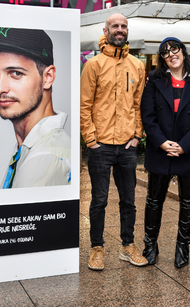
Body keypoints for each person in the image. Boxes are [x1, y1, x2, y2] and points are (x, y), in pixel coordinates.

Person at [80, 13, 148, 271]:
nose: (120, 30)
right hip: (101, 146)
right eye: (115, 26)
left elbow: (139, 104)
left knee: (128, 200)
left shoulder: (137, 65)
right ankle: (97, 248)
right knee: (99, 200)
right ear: (106, 30)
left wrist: (136, 135)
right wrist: (92, 140)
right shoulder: (94, 65)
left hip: (127, 146)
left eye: (123, 26)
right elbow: (84, 106)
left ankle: (127, 246)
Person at [140, 37, 190, 267]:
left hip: (188, 150)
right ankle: (150, 245)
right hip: (161, 150)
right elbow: (148, 117)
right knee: (153, 200)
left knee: (188, 201)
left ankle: (182, 247)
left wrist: (185, 145)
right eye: (165, 52)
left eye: (174, 49)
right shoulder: (153, 81)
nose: (171, 54)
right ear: (162, 59)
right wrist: (162, 142)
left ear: (183, 51)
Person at [0, 28, 70, 189]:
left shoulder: (46, 157)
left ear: (48, 77)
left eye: (16, 73)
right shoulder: (29, 145)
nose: (1, 88)